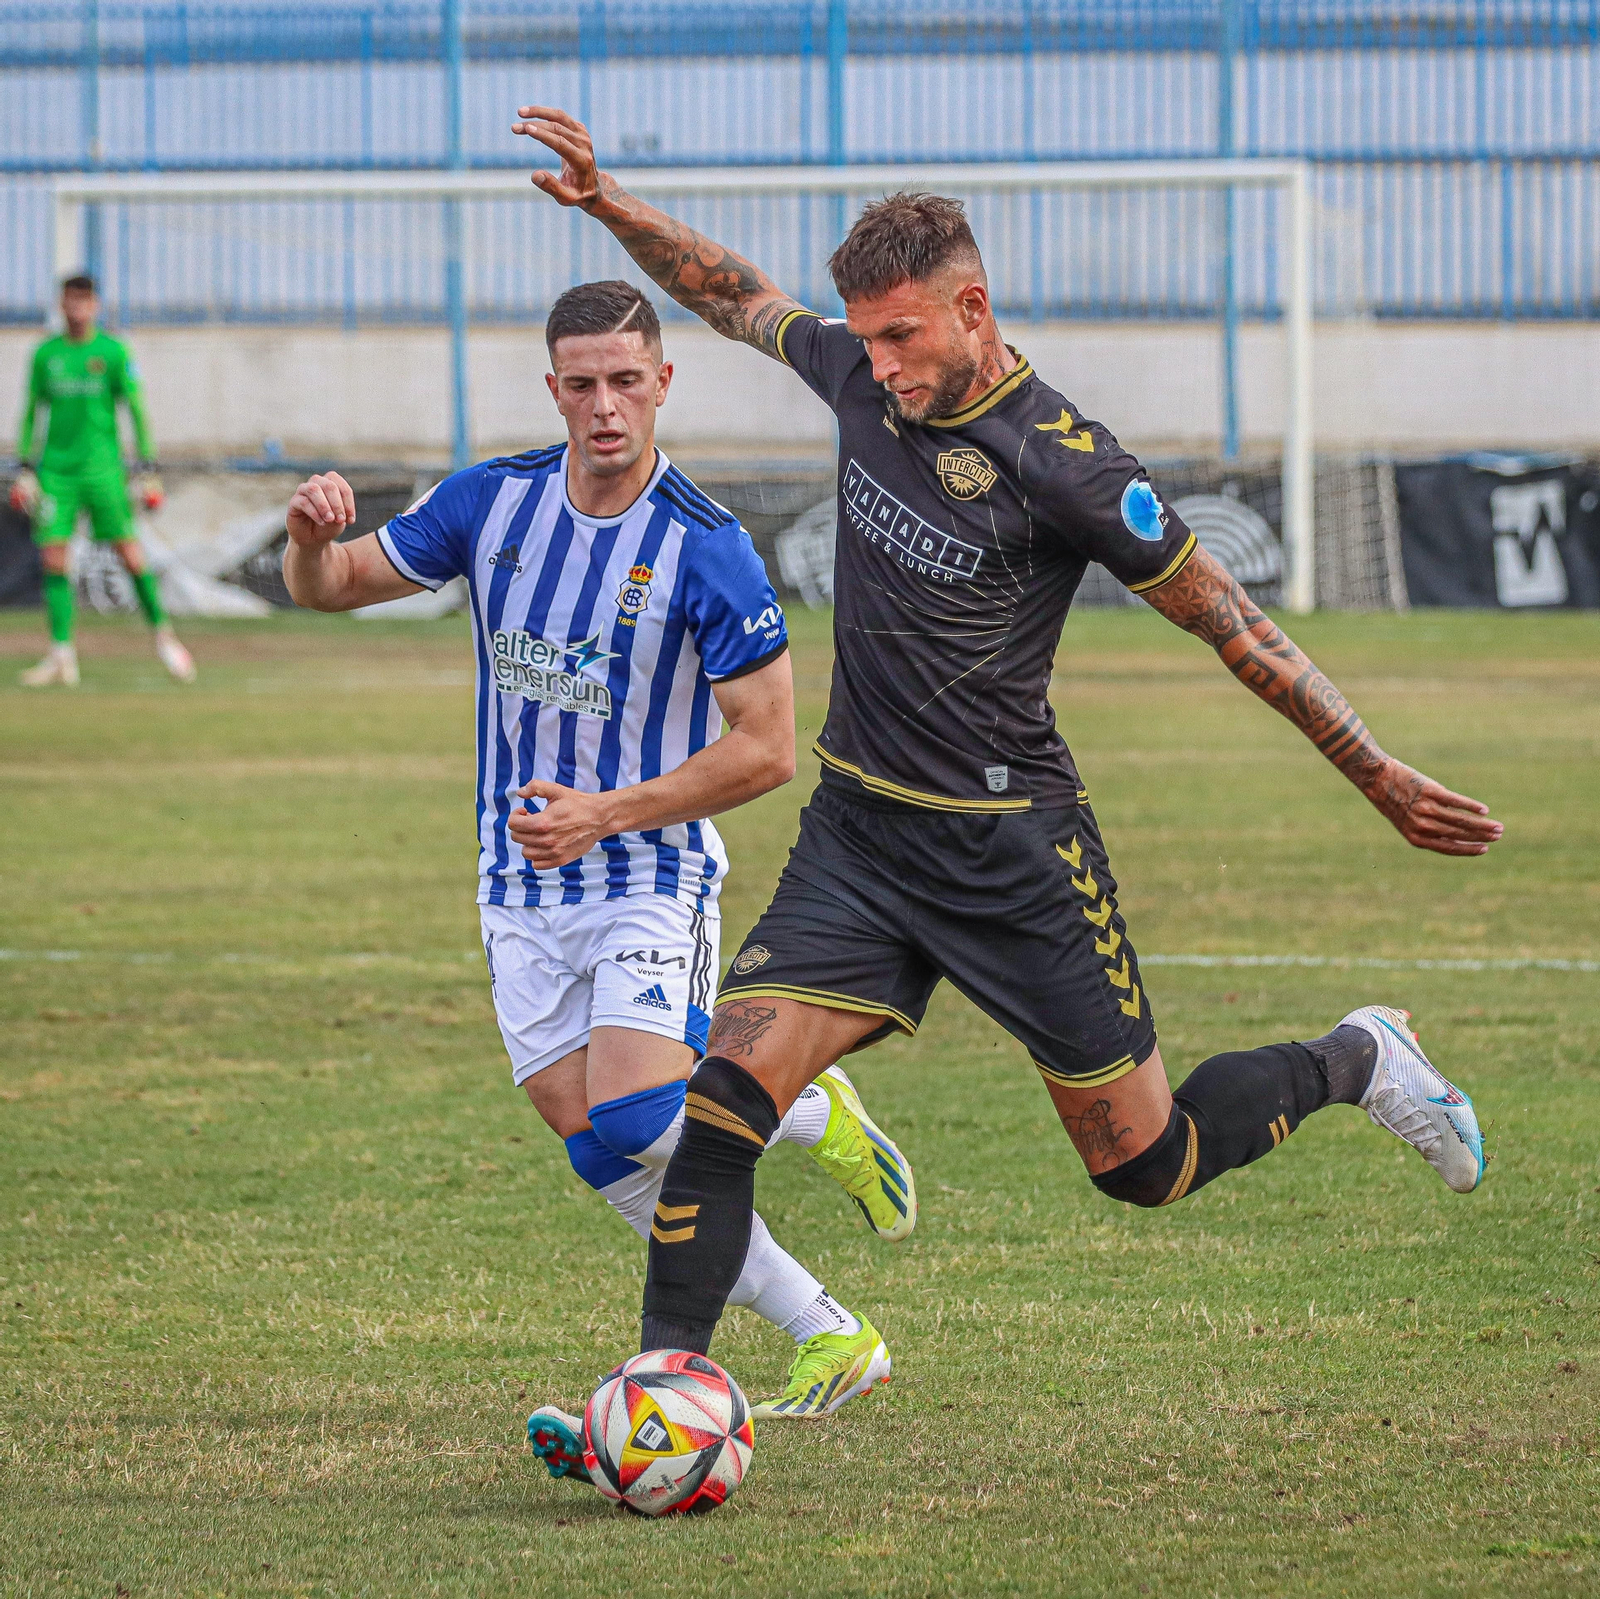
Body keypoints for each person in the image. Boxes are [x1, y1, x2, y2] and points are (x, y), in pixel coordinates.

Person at [513, 107, 1504, 1364]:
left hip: (1011, 853)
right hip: (857, 840)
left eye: (902, 335)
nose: (876, 365)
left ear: (972, 308)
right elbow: (733, 294)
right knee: (719, 1108)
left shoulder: (1070, 464)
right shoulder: (856, 378)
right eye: (864, 338)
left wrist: (1373, 769)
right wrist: (612, 206)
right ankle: (667, 1382)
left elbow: (1231, 622)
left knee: (1145, 1165)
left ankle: (1356, 1059)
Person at [281, 281, 917, 1465]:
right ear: (554, 389)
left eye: (627, 380)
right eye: (582, 383)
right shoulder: (492, 503)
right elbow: (331, 589)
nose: (605, 406)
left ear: (663, 383)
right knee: (593, 1142)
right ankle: (830, 1330)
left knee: (635, 1109)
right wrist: (310, 542)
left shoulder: (706, 546)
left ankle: (803, 1110)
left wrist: (609, 814)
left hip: (648, 877)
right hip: (517, 891)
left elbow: (769, 748)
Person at [10, 273, 194, 687]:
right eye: (69, 300)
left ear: (95, 305)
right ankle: (61, 655)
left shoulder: (112, 352)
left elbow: (136, 409)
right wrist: (24, 467)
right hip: (56, 474)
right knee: (53, 558)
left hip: (104, 472)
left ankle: (165, 638)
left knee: (130, 553)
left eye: (83, 300)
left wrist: (148, 468)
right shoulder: (46, 354)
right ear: (60, 305)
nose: (76, 308)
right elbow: (30, 412)